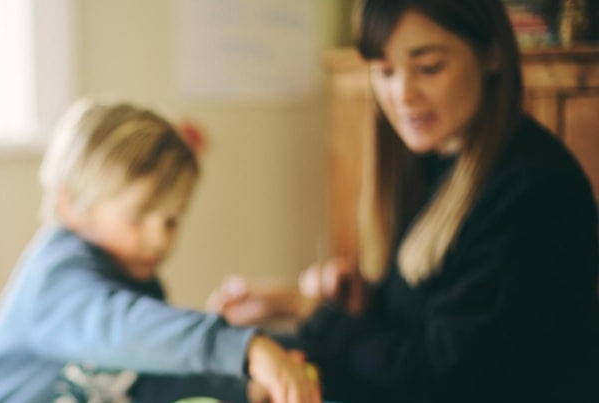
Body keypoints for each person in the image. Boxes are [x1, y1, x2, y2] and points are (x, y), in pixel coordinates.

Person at [207, 0, 599, 401]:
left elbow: (441, 375)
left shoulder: (533, 190)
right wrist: (362, 304)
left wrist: (309, 310)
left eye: (429, 67)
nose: (402, 94)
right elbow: (421, 324)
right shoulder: (430, 162)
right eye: (385, 71)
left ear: (492, 54)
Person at [0, 99, 321, 403]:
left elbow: (147, 384)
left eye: (172, 220)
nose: (160, 237)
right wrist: (242, 349)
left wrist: (242, 387)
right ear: (71, 205)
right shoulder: (57, 275)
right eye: (138, 216)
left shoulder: (139, 285)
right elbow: (123, 325)